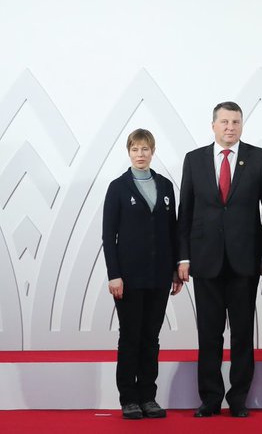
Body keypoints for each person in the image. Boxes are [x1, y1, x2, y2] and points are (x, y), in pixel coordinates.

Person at [178, 101, 262, 418]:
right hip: (205, 259)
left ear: (242, 125)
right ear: (213, 125)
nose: (230, 127)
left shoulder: (258, 158)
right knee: (209, 335)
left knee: (242, 334)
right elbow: (185, 211)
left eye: (236, 122)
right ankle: (210, 398)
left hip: (245, 260)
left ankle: (238, 398)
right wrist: (183, 257)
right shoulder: (194, 159)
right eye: (224, 121)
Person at [102, 129, 182, 420]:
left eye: (145, 149)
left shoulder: (165, 186)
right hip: (128, 277)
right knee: (130, 337)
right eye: (135, 149)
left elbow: (173, 231)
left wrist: (175, 270)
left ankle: (148, 396)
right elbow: (108, 235)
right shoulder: (118, 187)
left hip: (159, 276)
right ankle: (129, 398)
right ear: (129, 152)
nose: (140, 154)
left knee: (151, 337)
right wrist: (114, 274)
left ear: (153, 151)